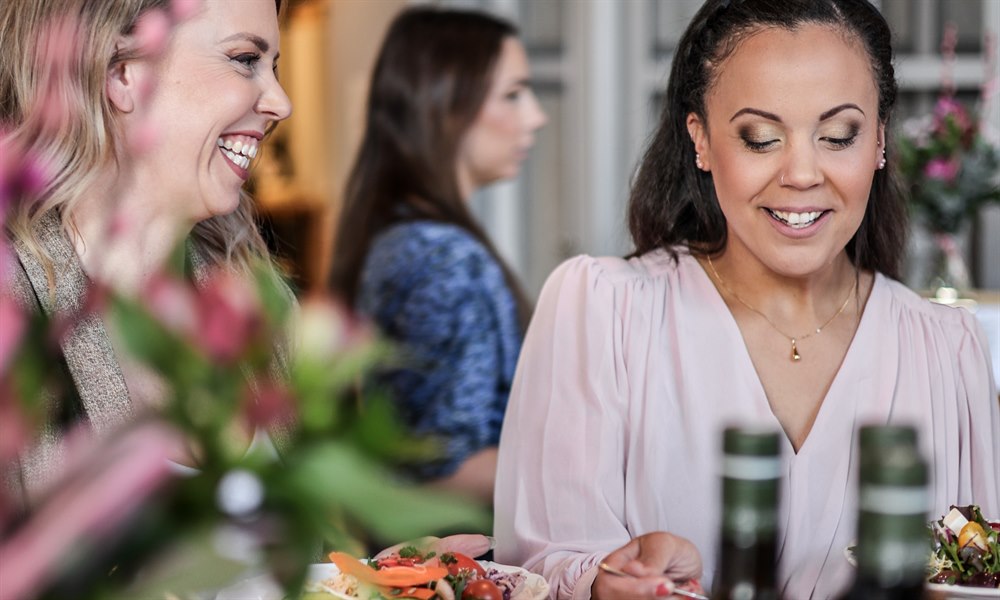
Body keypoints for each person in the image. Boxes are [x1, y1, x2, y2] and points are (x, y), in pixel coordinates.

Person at [493, 0, 1000, 598]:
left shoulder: (946, 352)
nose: (803, 173)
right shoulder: (601, 313)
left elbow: (979, 571)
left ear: (881, 141)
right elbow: (538, 567)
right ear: (701, 140)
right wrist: (609, 579)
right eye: (761, 138)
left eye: (838, 136)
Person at [1, 0, 292, 506]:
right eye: (245, 59)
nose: (280, 103)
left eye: (274, 67)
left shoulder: (257, 306)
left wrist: (382, 574)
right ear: (123, 73)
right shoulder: (13, 316)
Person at [328, 6, 547, 506]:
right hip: (456, 559)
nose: (536, 115)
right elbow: (443, 468)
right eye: (513, 95)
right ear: (446, 105)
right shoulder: (444, 258)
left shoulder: (404, 234)